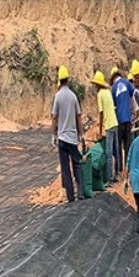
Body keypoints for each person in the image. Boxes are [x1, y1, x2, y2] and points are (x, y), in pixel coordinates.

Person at [51, 65, 84, 203]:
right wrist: (81, 134)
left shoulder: (57, 97)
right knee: (77, 165)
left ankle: (71, 197)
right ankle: (81, 192)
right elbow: (78, 116)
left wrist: (54, 135)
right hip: (72, 137)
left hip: (62, 138)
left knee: (65, 168)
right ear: (68, 80)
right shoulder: (73, 96)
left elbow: (54, 117)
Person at [93, 70, 120, 183]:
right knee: (116, 151)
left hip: (109, 125)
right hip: (115, 123)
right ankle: (117, 174)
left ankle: (109, 179)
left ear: (97, 85)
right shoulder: (108, 92)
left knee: (108, 153)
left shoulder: (100, 94)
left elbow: (101, 112)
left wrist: (100, 131)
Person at [112, 67, 136, 168]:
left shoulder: (113, 88)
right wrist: (134, 111)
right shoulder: (127, 83)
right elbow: (133, 95)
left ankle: (120, 167)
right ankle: (128, 166)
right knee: (127, 144)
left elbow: (114, 106)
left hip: (119, 120)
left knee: (119, 145)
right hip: (128, 118)